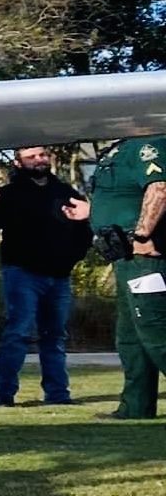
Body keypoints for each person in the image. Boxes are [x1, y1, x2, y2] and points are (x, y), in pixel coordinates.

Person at [0, 147, 93, 405]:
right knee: (18, 333)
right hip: (22, 274)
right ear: (18, 162)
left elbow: (83, 231)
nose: (39, 160)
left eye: (43, 155)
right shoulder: (9, 195)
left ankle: (58, 394)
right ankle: (5, 396)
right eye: (32, 157)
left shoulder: (66, 194)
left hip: (60, 276)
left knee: (55, 337)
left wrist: (73, 257)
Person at [87, 135, 166, 418]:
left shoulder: (148, 145)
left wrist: (143, 233)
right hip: (125, 258)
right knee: (131, 337)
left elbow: (159, 188)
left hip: (144, 258)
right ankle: (136, 407)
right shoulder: (116, 149)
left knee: (157, 332)